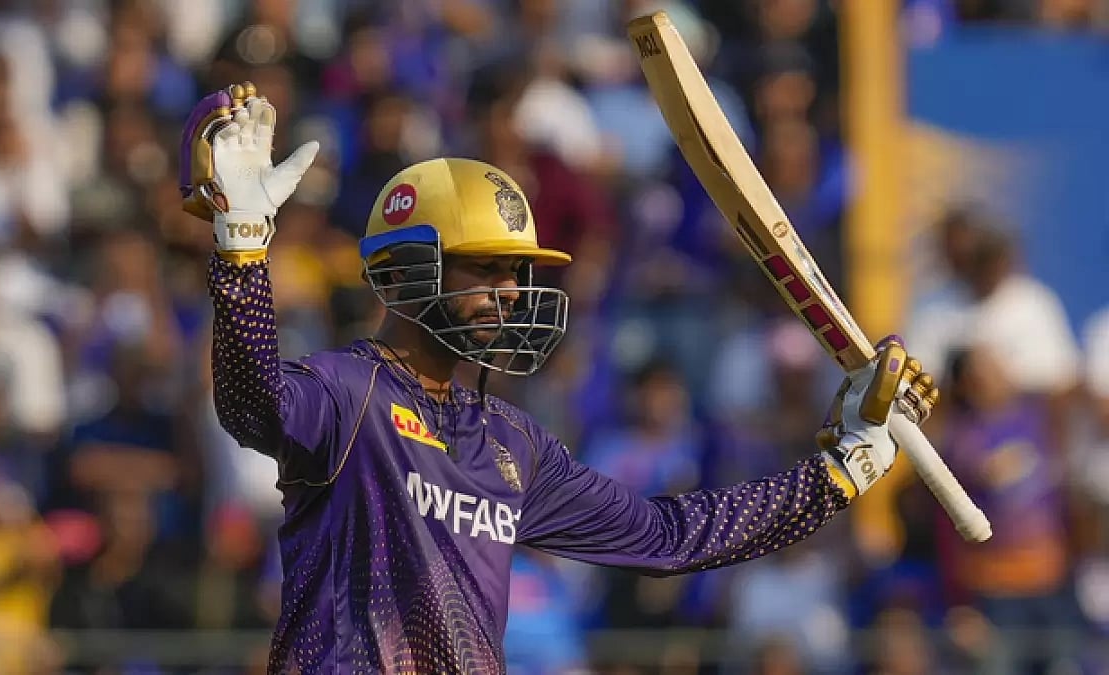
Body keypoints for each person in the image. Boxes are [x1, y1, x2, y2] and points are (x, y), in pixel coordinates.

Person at [179, 82, 940, 675]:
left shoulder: (511, 443)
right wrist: (242, 248)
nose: (511, 292)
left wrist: (842, 469)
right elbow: (250, 403)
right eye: (489, 267)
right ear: (410, 269)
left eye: (518, 273)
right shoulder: (350, 393)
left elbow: (669, 537)